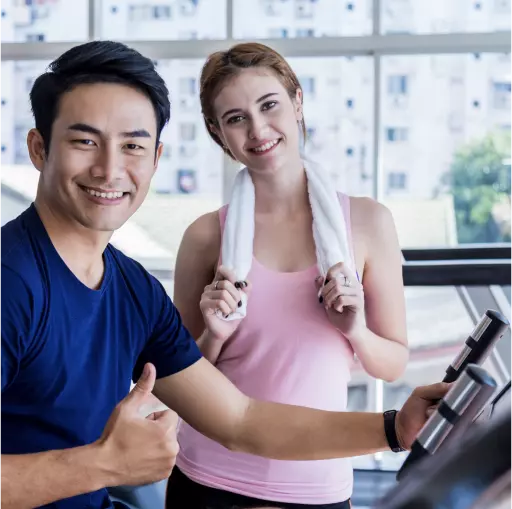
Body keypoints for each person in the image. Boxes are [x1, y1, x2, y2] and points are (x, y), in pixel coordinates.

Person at [0, 40, 447, 509]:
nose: (110, 169)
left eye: (132, 145)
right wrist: (104, 465)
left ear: (155, 159)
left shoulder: (133, 291)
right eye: (85, 141)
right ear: (39, 148)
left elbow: (240, 420)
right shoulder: (12, 283)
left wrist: (395, 428)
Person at [169, 42, 410, 509]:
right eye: (236, 118)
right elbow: (185, 379)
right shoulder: (203, 237)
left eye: (269, 105)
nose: (258, 129)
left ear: (297, 102)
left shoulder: (367, 223)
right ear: (219, 133)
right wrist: (214, 337)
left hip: (317, 486)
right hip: (209, 479)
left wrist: (356, 331)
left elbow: (394, 363)